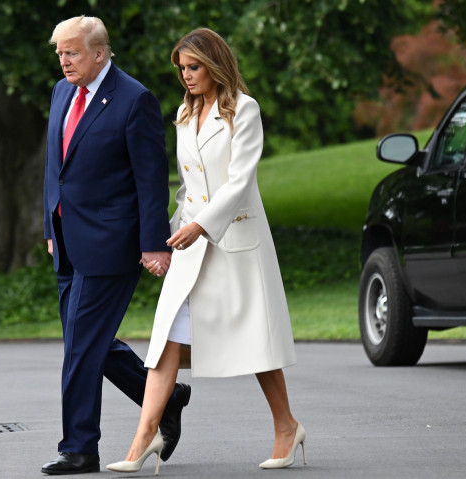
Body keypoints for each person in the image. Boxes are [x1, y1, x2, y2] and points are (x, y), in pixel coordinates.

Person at [106, 28, 305, 475]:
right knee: (165, 340)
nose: (186, 76)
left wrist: (200, 226)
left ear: (214, 64)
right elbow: (187, 188)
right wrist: (168, 238)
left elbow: (240, 182)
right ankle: (143, 439)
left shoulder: (244, 110)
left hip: (234, 243)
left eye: (193, 67)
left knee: (258, 345)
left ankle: (287, 427)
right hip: (191, 244)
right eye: (181, 69)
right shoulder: (182, 112)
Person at [41, 16, 192, 475]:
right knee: (88, 341)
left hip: (111, 242)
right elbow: (57, 167)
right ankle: (167, 395)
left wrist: (153, 244)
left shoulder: (134, 99)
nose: (64, 61)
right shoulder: (61, 92)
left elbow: (150, 180)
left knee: (82, 347)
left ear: (100, 52)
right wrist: (50, 228)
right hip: (67, 238)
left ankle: (80, 448)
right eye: (60, 53)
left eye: (73, 52)